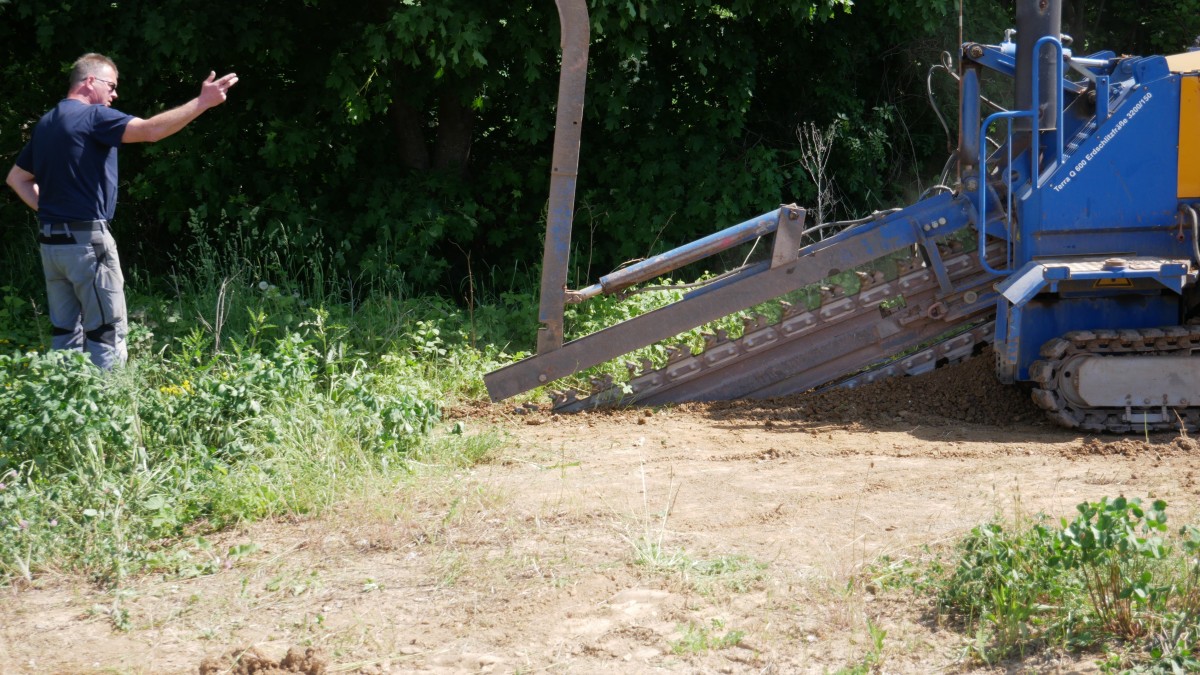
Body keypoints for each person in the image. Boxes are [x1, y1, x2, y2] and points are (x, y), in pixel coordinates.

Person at [5, 53, 238, 369]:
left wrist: (51, 211)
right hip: (87, 243)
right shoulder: (94, 116)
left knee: (66, 335)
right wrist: (203, 102)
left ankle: (65, 406)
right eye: (111, 86)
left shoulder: (47, 123)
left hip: (52, 246)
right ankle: (108, 410)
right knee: (106, 333)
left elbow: (16, 179)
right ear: (90, 82)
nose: (114, 95)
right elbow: (151, 131)